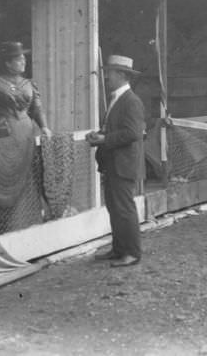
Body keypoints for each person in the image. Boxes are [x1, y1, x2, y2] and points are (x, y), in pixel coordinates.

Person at [0, 41, 52, 233]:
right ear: (7, 63)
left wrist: (44, 127)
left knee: (27, 177)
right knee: (4, 175)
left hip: (25, 132)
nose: (23, 61)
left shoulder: (29, 84)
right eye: (18, 58)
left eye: (24, 58)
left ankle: (27, 225)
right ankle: (2, 228)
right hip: (2, 132)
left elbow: (37, 108)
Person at [87, 55, 146, 268]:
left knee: (124, 209)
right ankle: (119, 249)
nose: (106, 77)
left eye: (109, 73)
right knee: (114, 208)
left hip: (123, 164)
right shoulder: (116, 99)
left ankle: (132, 253)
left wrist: (105, 139)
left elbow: (133, 133)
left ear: (122, 75)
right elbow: (117, 130)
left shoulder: (131, 101)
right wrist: (99, 135)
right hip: (113, 163)